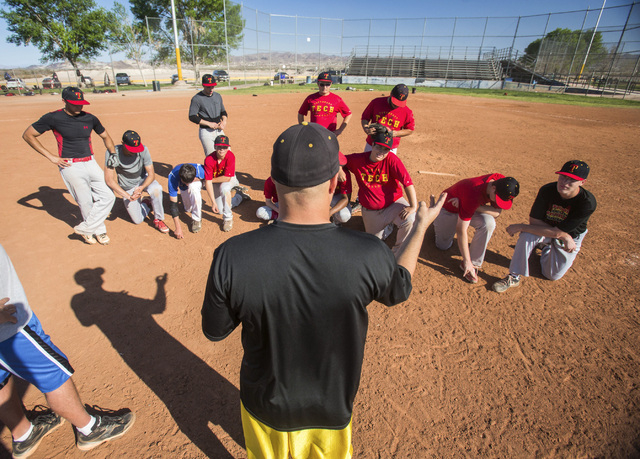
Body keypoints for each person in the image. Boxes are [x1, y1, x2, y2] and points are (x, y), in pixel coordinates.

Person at [201, 122, 446, 459]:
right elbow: (399, 287)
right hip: (330, 411)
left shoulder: (232, 255)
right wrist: (418, 227)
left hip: (264, 408)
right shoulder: (368, 252)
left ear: (274, 181)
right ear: (334, 184)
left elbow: (215, 331)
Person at [0, 243, 135, 458]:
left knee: (1, 380)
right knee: (52, 372)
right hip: (8, 327)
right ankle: (90, 429)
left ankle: (24, 434)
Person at [22, 86, 116, 245]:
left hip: (90, 161)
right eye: (75, 103)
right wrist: (51, 157)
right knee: (85, 201)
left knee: (109, 196)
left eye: (81, 103)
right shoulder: (53, 118)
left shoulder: (89, 118)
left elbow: (105, 136)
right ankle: (97, 231)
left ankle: (86, 227)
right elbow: (28, 135)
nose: (80, 106)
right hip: (70, 166)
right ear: (64, 101)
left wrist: (113, 154)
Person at [492, 160, 597, 292]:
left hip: (571, 236)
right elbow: (534, 221)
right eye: (563, 176)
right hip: (553, 231)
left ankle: (546, 248)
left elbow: (559, 232)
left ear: (582, 182)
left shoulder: (587, 202)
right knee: (527, 235)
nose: (564, 182)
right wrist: (561, 234)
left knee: (551, 275)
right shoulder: (547, 190)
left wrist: (520, 226)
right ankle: (514, 276)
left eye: (571, 180)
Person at [433, 173, 520, 283]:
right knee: (442, 246)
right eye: (498, 198)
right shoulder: (473, 192)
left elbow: (497, 213)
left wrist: (470, 205)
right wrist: (466, 260)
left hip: (467, 205)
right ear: (493, 188)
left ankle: (472, 264)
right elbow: (461, 231)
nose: (498, 202)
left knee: (489, 223)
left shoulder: (502, 183)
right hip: (449, 208)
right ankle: (435, 219)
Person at [345, 131, 418, 253]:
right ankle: (388, 226)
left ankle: (398, 251)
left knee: (410, 219)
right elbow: (338, 159)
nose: (381, 152)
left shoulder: (391, 159)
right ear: (372, 145)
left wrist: (413, 206)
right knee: (374, 243)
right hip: (371, 210)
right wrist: (341, 169)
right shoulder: (358, 159)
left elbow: (407, 182)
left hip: (393, 203)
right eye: (379, 147)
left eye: (385, 149)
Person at [104, 130, 169, 234]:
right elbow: (109, 180)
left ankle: (158, 219)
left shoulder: (143, 150)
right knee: (138, 220)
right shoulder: (113, 153)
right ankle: (146, 203)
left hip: (143, 179)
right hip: (127, 186)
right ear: (123, 143)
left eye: (136, 149)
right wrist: (128, 196)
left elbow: (151, 174)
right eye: (131, 149)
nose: (134, 152)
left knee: (156, 189)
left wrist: (141, 188)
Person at [203, 135, 250, 232]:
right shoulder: (209, 159)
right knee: (220, 210)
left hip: (229, 179)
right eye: (219, 147)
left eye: (224, 147)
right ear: (215, 147)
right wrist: (213, 202)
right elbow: (207, 183)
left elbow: (227, 178)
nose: (222, 149)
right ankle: (240, 197)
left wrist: (209, 180)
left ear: (228, 147)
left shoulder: (230, 156)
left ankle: (228, 218)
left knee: (224, 189)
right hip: (216, 181)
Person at [360, 83, 414, 155]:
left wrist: (395, 133)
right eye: (395, 102)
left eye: (399, 103)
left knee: (387, 166)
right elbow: (365, 118)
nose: (396, 105)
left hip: (390, 146)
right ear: (391, 94)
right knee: (366, 164)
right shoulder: (376, 102)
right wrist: (366, 129)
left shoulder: (407, 111)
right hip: (373, 142)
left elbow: (410, 130)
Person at [297, 71, 352, 136]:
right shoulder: (311, 98)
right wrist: (304, 128)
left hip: (330, 134)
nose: (324, 87)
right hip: (314, 134)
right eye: (322, 84)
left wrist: (340, 130)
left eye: (327, 84)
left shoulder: (337, 99)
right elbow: (301, 113)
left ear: (331, 84)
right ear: (318, 84)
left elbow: (348, 114)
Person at [189, 74, 228, 156]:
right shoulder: (197, 99)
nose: (211, 89)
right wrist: (209, 124)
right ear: (203, 85)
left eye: (212, 87)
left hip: (219, 130)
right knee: (211, 156)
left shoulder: (217, 96)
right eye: (208, 87)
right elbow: (192, 116)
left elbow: (223, 112)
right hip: (206, 131)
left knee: (226, 154)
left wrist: (224, 121)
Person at [168, 163, 205, 239]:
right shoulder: (172, 178)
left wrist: (199, 179)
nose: (187, 184)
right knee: (188, 209)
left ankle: (197, 219)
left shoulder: (200, 170)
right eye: (186, 182)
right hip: (183, 188)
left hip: (196, 182)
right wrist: (178, 228)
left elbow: (210, 178)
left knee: (193, 187)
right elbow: (173, 205)